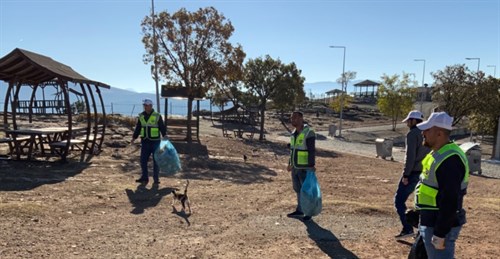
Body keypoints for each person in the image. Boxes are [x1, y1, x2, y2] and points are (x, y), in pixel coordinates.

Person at [414, 112, 469, 258]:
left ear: (439, 133)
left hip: (439, 225)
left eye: (427, 129)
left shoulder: (450, 160)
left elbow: (450, 200)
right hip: (431, 221)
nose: (423, 133)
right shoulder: (437, 154)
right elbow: (432, 189)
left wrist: (440, 233)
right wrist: (420, 213)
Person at [394, 110, 430, 238]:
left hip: (413, 172)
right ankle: (422, 231)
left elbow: (410, 156)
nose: (407, 123)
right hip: (425, 172)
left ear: (414, 121)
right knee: (421, 203)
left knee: (399, 201)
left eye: (409, 120)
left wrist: (406, 174)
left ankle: (408, 227)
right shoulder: (427, 133)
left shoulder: (412, 134)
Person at [286, 111, 316, 221]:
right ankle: (300, 210)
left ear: (301, 118)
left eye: (295, 118)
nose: (293, 120)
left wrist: (311, 166)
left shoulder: (309, 132)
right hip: (295, 166)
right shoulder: (293, 133)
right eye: (291, 118)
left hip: (305, 167)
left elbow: (312, 150)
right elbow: (293, 150)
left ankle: (309, 212)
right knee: (297, 189)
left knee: (307, 191)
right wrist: (290, 163)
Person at [131, 98, 167, 185]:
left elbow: (162, 127)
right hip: (145, 141)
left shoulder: (157, 115)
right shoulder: (141, 116)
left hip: (155, 142)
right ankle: (144, 178)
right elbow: (138, 127)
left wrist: (165, 135)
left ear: (151, 106)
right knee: (143, 160)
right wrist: (134, 137)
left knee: (156, 161)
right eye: (144, 105)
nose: (145, 107)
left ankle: (156, 179)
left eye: (146, 105)